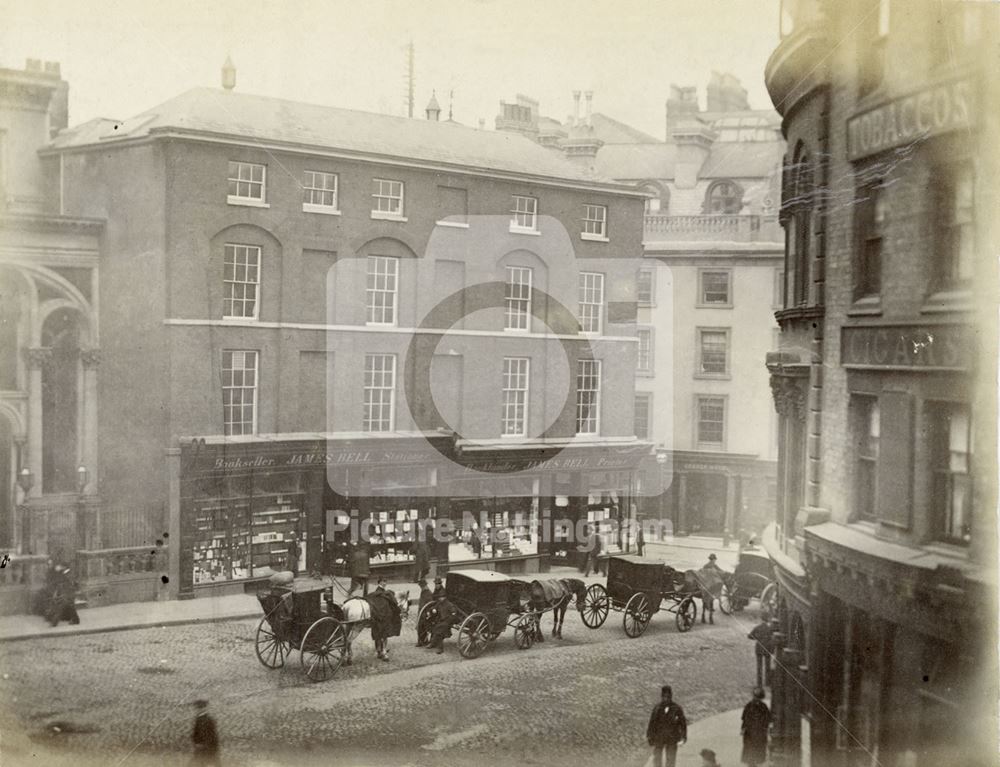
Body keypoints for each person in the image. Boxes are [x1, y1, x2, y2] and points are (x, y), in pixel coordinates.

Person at [646, 685, 687, 767]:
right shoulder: (657, 708)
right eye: (664, 696)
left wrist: (683, 736)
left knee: (671, 761)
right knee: (657, 760)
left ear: (671, 696)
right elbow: (652, 723)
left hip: (672, 738)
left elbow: (683, 724)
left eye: (668, 696)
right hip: (658, 738)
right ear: (661, 696)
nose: (666, 698)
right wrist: (650, 736)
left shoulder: (676, 708)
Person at [741, 688, 771, 766]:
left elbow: (744, 719)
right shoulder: (763, 706)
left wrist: (743, 729)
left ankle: (752, 764)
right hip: (756, 733)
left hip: (752, 734)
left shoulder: (749, 705)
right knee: (755, 753)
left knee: (752, 753)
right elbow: (767, 720)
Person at [190, 699, 221, 766]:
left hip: (205, 747)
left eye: (198, 708)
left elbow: (206, 734)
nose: (197, 710)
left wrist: (201, 744)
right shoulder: (203, 718)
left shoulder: (204, 719)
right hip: (205, 747)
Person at [748, 620, 774, 688]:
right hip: (767, 649)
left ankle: (759, 683)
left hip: (759, 648)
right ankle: (767, 682)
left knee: (759, 666)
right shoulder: (770, 628)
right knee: (767, 666)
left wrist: (757, 638)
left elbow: (749, 636)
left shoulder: (757, 627)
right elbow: (773, 638)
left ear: (761, 619)